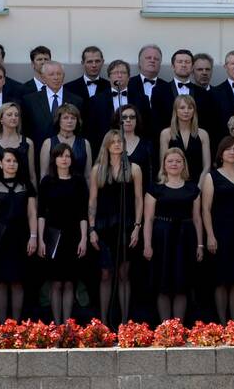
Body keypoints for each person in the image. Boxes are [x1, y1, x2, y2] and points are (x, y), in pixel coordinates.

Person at [89, 130, 144, 327]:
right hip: (104, 227)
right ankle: (104, 321)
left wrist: (138, 226)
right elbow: (93, 200)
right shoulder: (98, 170)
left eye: (120, 141)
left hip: (127, 226)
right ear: (106, 145)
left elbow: (139, 199)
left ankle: (124, 322)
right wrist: (91, 228)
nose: (117, 144)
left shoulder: (134, 169)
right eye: (113, 142)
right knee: (105, 274)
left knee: (124, 274)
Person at [143, 147, 203, 322]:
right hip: (162, 238)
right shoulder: (155, 189)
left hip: (185, 239)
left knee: (181, 283)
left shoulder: (192, 189)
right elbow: (148, 220)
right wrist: (147, 244)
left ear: (184, 164)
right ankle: (165, 328)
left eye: (178, 161)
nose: (174, 164)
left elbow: (197, 218)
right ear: (164, 165)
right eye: (170, 161)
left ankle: (178, 327)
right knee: (163, 283)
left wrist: (200, 244)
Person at [201, 136, 234, 322]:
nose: (233, 152)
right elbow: (206, 209)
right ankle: (222, 322)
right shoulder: (212, 176)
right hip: (220, 232)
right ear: (221, 153)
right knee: (221, 279)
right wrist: (210, 235)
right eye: (229, 149)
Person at [0, 148, 38, 321]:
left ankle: (17, 323)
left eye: (14, 161)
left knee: (18, 281)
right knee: (0, 282)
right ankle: (3, 323)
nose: (11, 164)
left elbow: (32, 213)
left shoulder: (27, 186)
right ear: (0, 163)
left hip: (20, 237)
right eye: (8, 160)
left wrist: (33, 236)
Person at [37, 142, 89, 323]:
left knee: (69, 282)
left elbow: (83, 212)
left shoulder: (79, 181)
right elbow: (41, 213)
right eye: (60, 156)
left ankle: (67, 325)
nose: (64, 159)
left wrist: (84, 239)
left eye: (67, 156)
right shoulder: (47, 182)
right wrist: (40, 239)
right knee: (56, 282)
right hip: (52, 235)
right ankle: (56, 324)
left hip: (73, 234)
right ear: (55, 159)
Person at [160, 95, 211, 183]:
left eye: (190, 108)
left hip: (198, 183)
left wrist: (199, 187)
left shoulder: (203, 134)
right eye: (182, 108)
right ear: (176, 110)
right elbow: (163, 164)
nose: (186, 111)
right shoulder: (166, 134)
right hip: (173, 184)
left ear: (194, 111)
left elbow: (207, 166)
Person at [39, 104, 94, 182]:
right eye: (65, 118)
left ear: (77, 121)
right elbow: (44, 174)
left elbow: (88, 175)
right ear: (58, 120)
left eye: (73, 118)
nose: (69, 121)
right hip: (54, 190)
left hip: (79, 189)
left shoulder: (85, 143)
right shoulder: (48, 143)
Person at [0, 103, 33, 187]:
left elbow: (32, 175)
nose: (14, 117)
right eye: (9, 115)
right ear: (1, 119)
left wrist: (34, 197)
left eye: (16, 115)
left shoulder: (28, 142)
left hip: (22, 192)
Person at [114, 104, 154, 182]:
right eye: (124, 117)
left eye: (132, 117)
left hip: (143, 190)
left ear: (137, 120)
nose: (128, 120)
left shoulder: (147, 145)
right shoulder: (111, 143)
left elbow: (152, 172)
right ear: (118, 120)